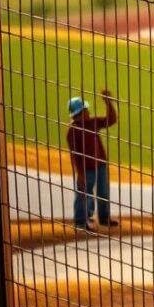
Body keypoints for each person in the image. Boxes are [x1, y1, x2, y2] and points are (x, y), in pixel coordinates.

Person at [66, 89, 120, 230]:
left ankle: (103, 218)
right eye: (86, 110)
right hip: (86, 168)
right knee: (83, 193)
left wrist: (108, 103)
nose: (88, 112)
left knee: (103, 192)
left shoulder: (92, 123)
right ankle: (80, 222)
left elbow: (111, 120)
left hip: (100, 164)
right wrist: (80, 174)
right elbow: (75, 155)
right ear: (80, 113)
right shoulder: (73, 131)